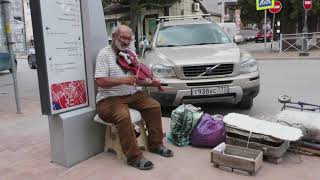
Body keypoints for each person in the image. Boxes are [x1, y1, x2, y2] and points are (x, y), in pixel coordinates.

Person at [95, 25, 173, 170]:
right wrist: (123, 80)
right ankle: (134, 157)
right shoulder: (104, 54)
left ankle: (156, 144)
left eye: (129, 39)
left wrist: (150, 82)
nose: (126, 42)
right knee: (123, 116)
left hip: (132, 94)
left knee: (154, 106)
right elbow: (100, 81)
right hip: (109, 99)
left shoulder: (130, 53)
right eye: (123, 38)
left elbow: (136, 79)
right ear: (114, 37)